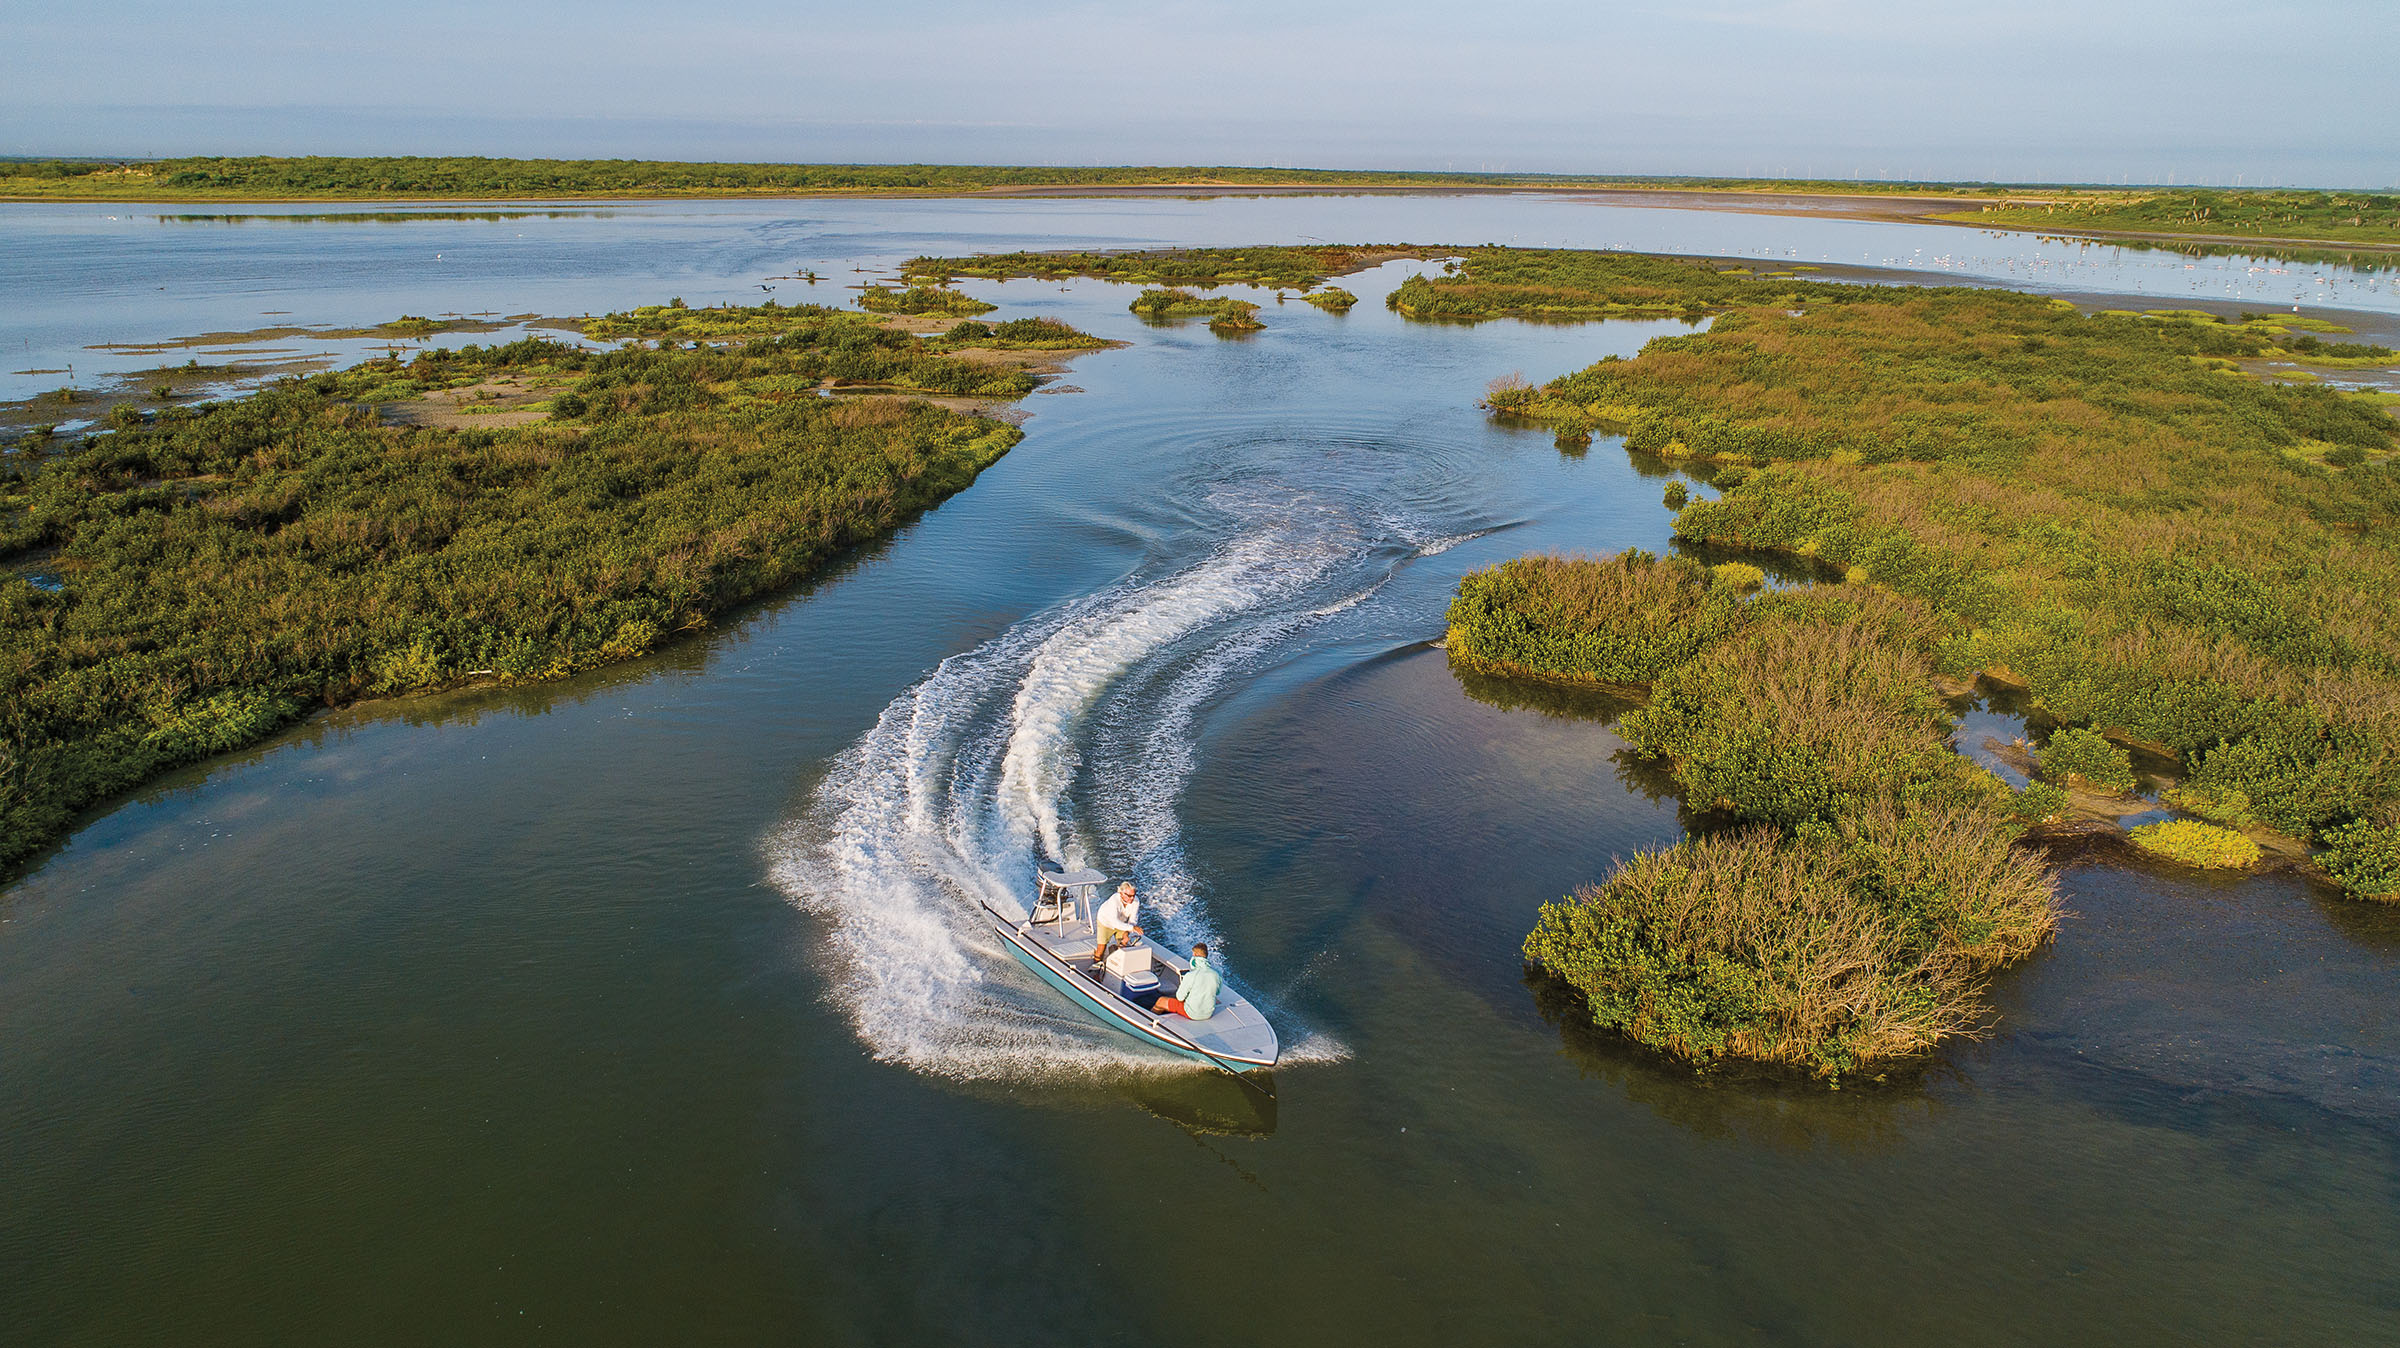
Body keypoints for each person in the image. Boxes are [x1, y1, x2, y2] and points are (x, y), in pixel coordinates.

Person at [1153, 943, 1219, 1022]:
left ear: (1195, 955)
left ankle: (1150, 1020)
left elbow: (1180, 997)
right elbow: (1217, 992)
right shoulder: (1216, 974)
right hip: (1208, 1013)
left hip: (1192, 1013)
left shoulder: (1191, 975)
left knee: (1161, 1001)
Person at [1089, 881, 1140, 965]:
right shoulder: (1114, 900)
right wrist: (1132, 928)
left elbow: (1133, 919)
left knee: (1124, 942)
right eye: (1129, 896)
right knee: (1101, 947)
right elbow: (1114, 922)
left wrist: (1127, 933)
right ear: (1121, 893)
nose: (1132, 898)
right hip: (1106, 923)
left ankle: (1116, 962)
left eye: (1133, 896)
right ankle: (1096, 968)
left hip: (1122, 922)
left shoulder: (1136, 901)